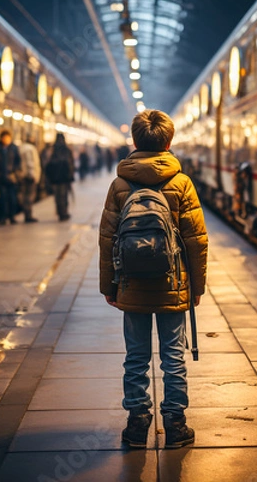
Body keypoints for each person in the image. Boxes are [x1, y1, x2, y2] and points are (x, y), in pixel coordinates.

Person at [99, 109, 208, 449]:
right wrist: (197, 288)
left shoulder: (120, 184)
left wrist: (109, 287)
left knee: (136, 356)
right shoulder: (181, 182)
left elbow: (107, 238)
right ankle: (175, 426)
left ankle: (136, 426)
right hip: (172, 283)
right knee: (173, 355)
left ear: (134, 140)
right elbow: (196, 240)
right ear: (169, 141)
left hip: (131, 284)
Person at [0, 129, 21, 225]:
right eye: (4, 138)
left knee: (12, 198)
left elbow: (18, 161)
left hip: (11, 177)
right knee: (2, 198)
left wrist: (15, 172)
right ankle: (3, 217)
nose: (6, 140)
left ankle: (12, 216)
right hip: (1, 177)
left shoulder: (14, 148)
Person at [45, 133, 74, 221]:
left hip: (55, 178)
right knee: (64, 195)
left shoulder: (52, 149)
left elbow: (47, 164)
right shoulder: (67, 150)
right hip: (65, 177)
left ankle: (59, 212)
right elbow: (71, 164)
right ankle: (64, 213)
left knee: (57, 196)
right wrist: (70, 176)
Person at [19, 135, 41, 223]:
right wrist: (33, 175)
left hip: (23, 175)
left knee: (25, 195)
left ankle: (27, 213)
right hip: (29, 176)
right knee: (29, 196)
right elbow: (30, 163)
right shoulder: (30, 149)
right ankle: (28, 215)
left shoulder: (21, 148)